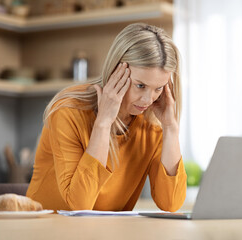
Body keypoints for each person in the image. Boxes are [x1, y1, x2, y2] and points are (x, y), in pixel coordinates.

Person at [26, 23, 187, 212]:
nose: (148, 100)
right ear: (115, 72)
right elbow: (79, 206)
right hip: (46, 230)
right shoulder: (68, 110)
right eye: (140, 86)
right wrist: (103, 123)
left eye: (158, 88)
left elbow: (171, 204)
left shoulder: (153, 123)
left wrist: (170, 128)